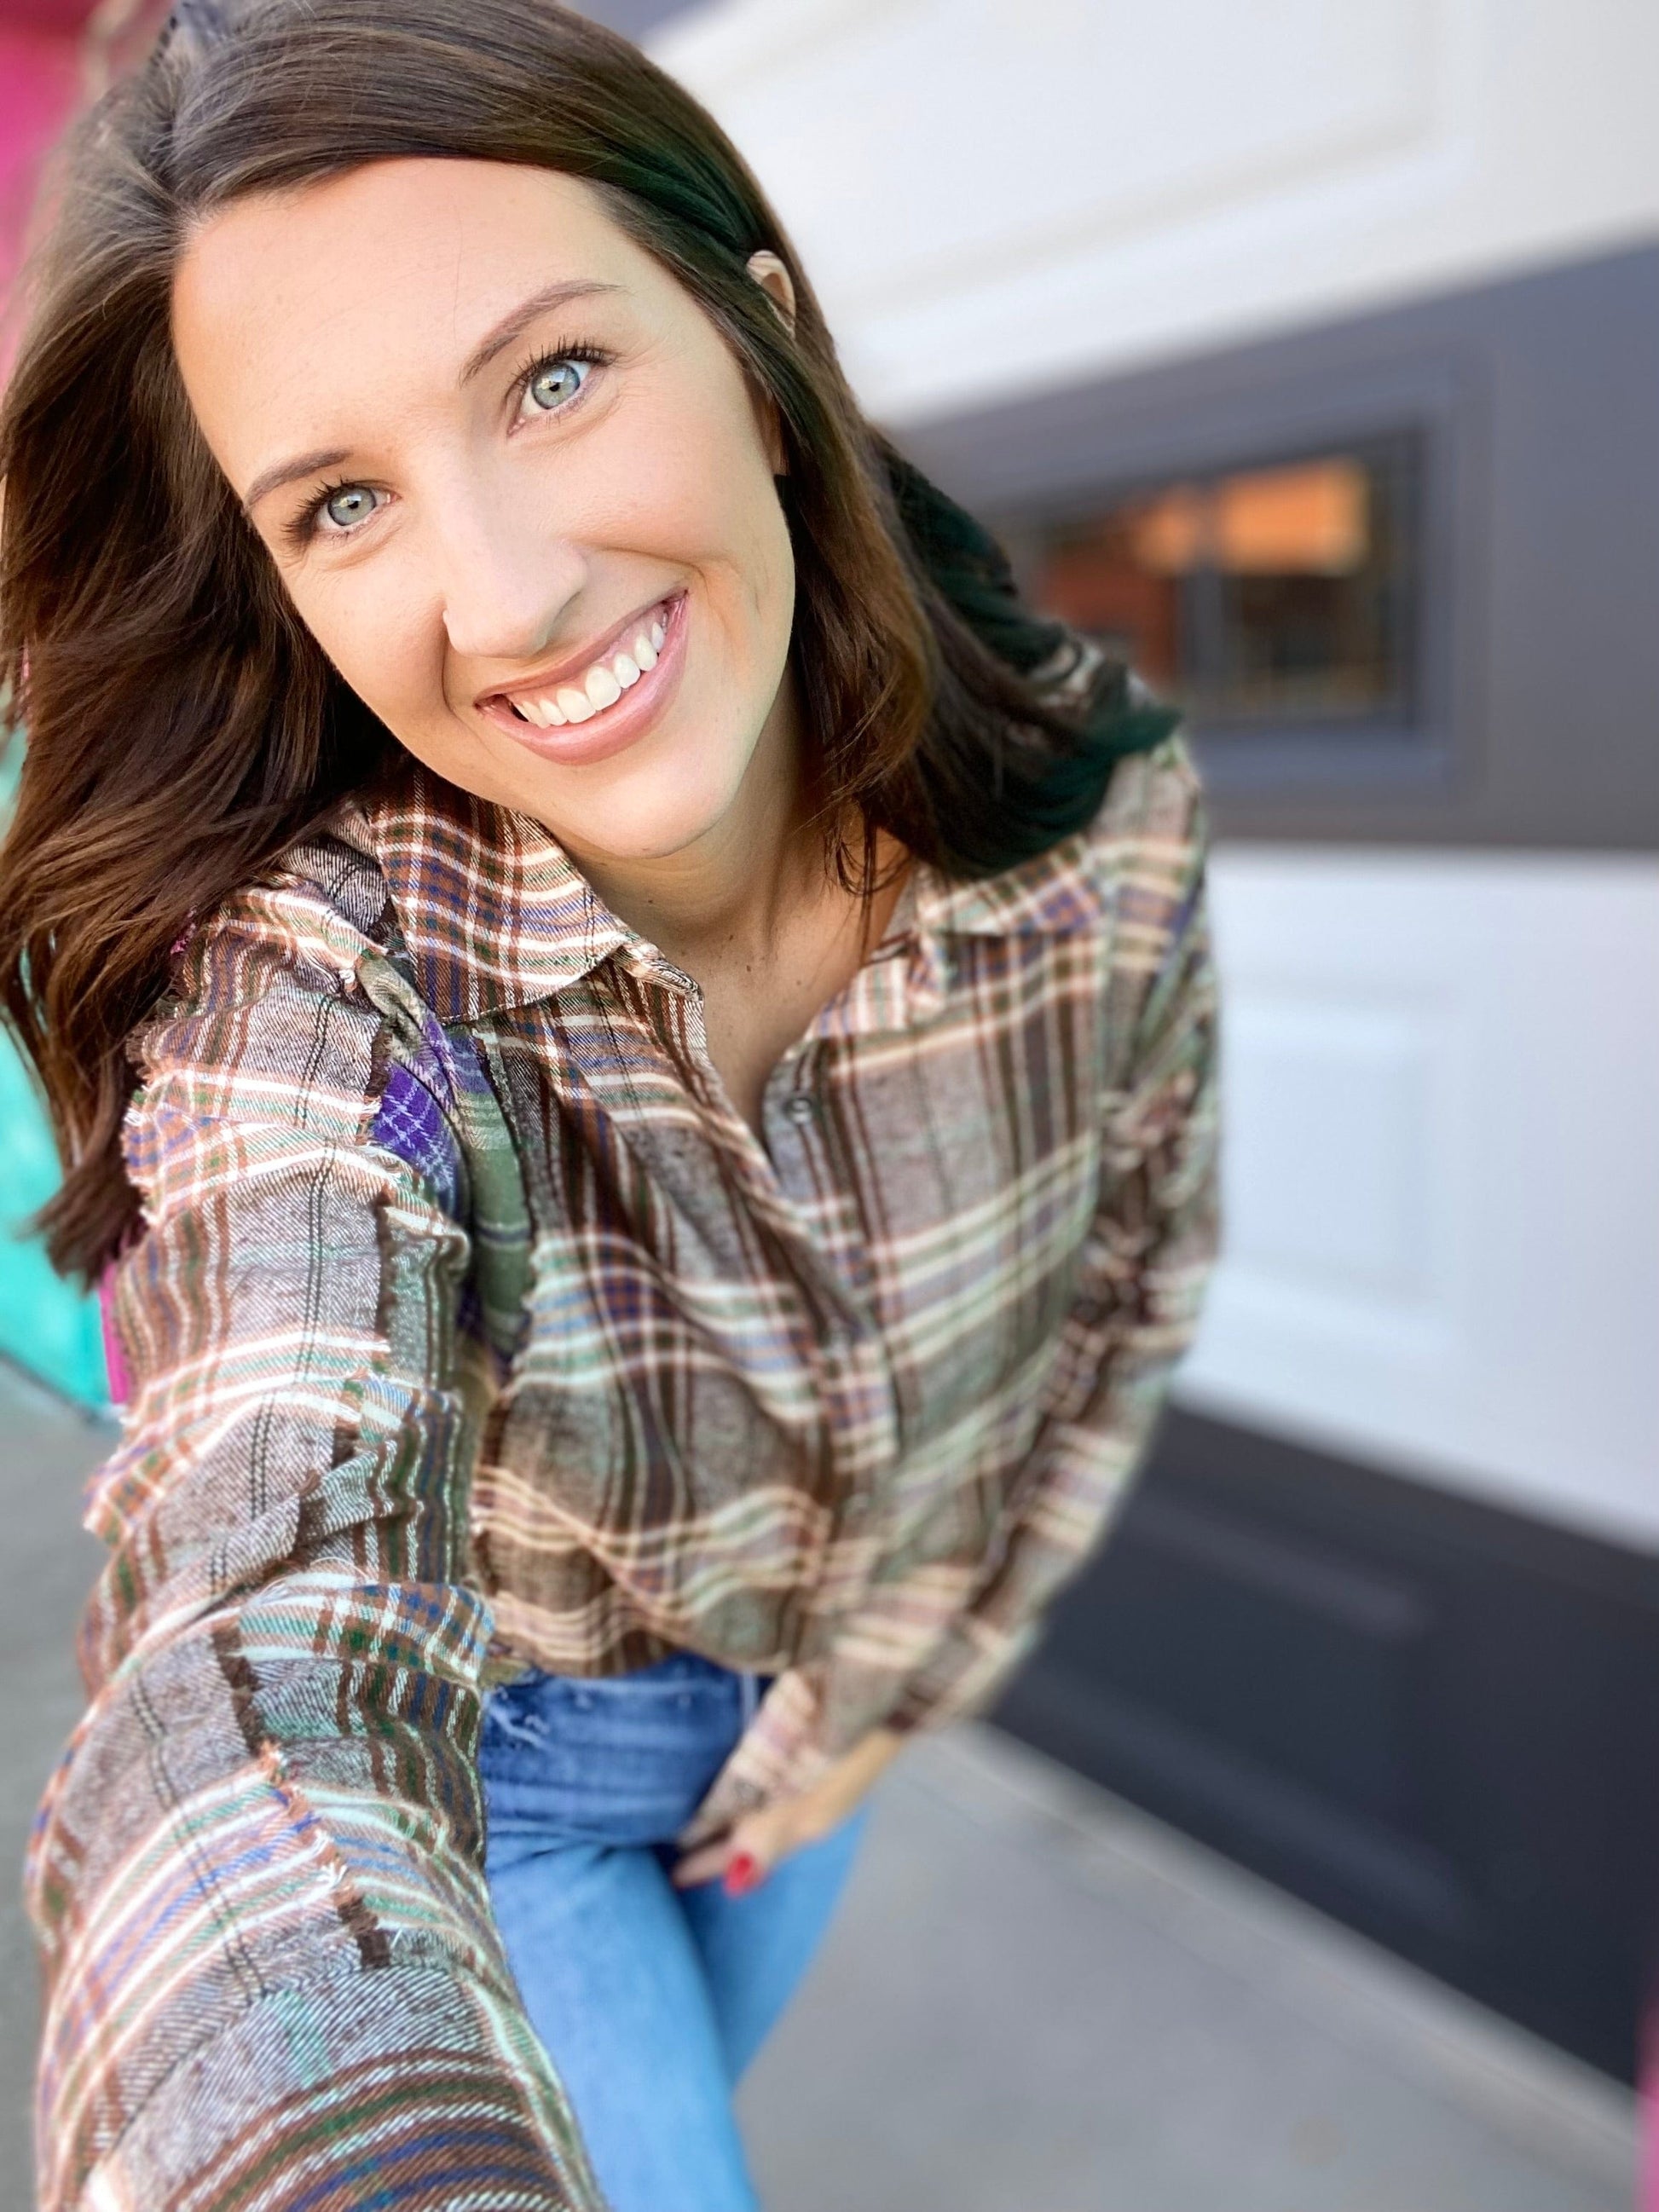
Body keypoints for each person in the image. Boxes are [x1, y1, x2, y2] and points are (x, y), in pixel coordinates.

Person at [0, 3, 1220, 2206]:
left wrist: (891, 1688)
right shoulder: (316, 974)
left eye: (554, 376)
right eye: (344, 500)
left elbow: (1122, 1290)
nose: (511, 592)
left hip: (804, 1733)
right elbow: (251, 1607)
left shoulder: (1091, 819)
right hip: (494, 1769)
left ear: (754, 341)